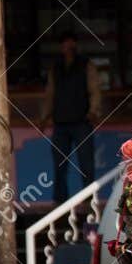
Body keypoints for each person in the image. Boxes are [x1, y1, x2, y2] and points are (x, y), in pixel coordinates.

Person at [41, 31, 102, 204]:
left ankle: (89, 201)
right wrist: (45, 117)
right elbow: (50, 94)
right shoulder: (56, 68)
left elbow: (95, 90)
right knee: (59, 166)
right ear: (61, 47)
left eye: (70, 44)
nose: (67, 47)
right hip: (60, 123)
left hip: (82, 121)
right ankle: (59, 202)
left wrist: (94, 111)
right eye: (64, 44)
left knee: (86, 165)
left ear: (75, 45)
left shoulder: (86, 64)